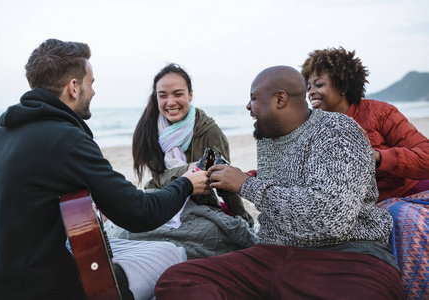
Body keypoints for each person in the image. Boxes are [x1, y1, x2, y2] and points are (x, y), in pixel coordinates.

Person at [0, 39, 209, 300]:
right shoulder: (67, 139)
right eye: (91, 83)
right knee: (171, 252)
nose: (94, 91)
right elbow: (140, 213)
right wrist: (187, 183)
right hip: (44, 289)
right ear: (73, 87)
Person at [154, 66, 404, 300]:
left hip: (345, 256)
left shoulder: (337, 130)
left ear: (280, 100)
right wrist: (238, 179)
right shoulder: (268, 140)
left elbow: (330, 219)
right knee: (177, 281)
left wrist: (246, 185)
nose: (248, 106)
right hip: (272, 255)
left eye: (253, 98)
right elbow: (281, 196)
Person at [301, 47, 429, 299]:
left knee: (402, 219)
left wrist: (379, 156)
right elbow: (290, 169)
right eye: (308, 86)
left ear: (343, 85)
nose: (311, 92)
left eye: (319, 84)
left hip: (410, 192)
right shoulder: (310, 129)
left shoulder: (381, 113)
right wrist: (242, 176)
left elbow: (425, 156)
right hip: (362, 209)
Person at [104, 63, 258, 259]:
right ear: (156, 97)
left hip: (200, 204)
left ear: (190, 95)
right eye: (163, 95)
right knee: (121, 232)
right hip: (161, 199)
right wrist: (188, 171)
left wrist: (244, 219)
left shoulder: (209, 130)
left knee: (216, 236)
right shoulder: (150, 128)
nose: (170, 102)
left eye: (178, 94)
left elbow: (225, 182)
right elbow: (158, 178)